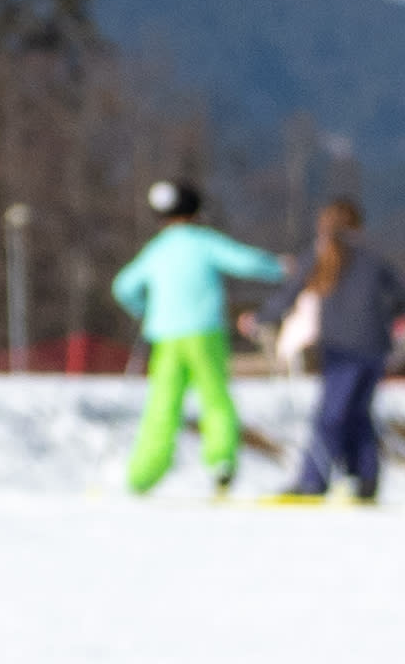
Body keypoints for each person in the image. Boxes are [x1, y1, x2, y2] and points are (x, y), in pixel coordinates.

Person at [113, 178, 286, 499]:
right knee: (214, 397)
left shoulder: (158, 249)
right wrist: (279, 268)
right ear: (195, 212)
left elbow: (123, 286)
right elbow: (243, 260)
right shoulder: (203, 242)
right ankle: (221, 462)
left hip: (164, 337)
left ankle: (143, 474)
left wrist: (146, 309)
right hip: (204, 333)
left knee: (162, 404)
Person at [290, 197, 405, 507]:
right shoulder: (373, 258)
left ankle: (312, 481)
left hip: (343, 350)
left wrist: (259, 319)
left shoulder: (322, 256)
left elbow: (289, 290)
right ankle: (365, 479)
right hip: (374, 350)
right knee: (358, 414)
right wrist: (395, 319)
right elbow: (404, 297)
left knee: (331, 416)